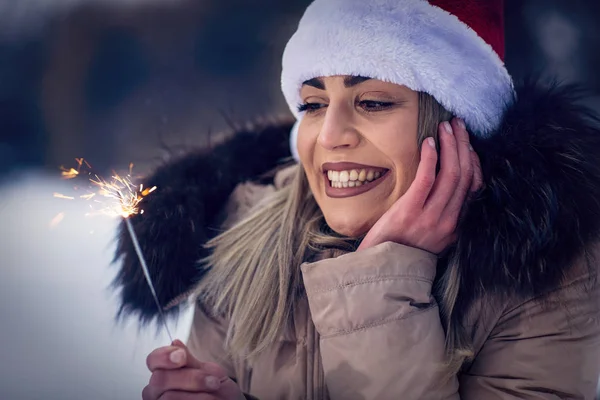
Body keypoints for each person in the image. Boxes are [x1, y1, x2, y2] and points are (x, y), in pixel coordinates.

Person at [114, 0, 600, 399]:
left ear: (457, 123)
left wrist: (381, 285)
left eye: (372, 102)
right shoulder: (244, 237)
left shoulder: (545, 271)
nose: (331, 135)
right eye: (313, 104)